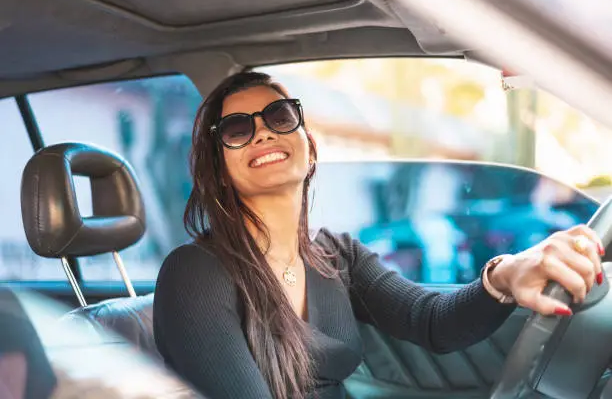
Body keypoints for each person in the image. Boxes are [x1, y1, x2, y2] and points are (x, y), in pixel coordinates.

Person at [153, 71, 605, 399]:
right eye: (236, 129)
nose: (263, 132)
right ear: (218, 168)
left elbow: (431, 321)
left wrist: (504, 275)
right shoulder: (194, 272)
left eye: (279, 115)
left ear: (309, 146)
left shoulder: (336, 255)